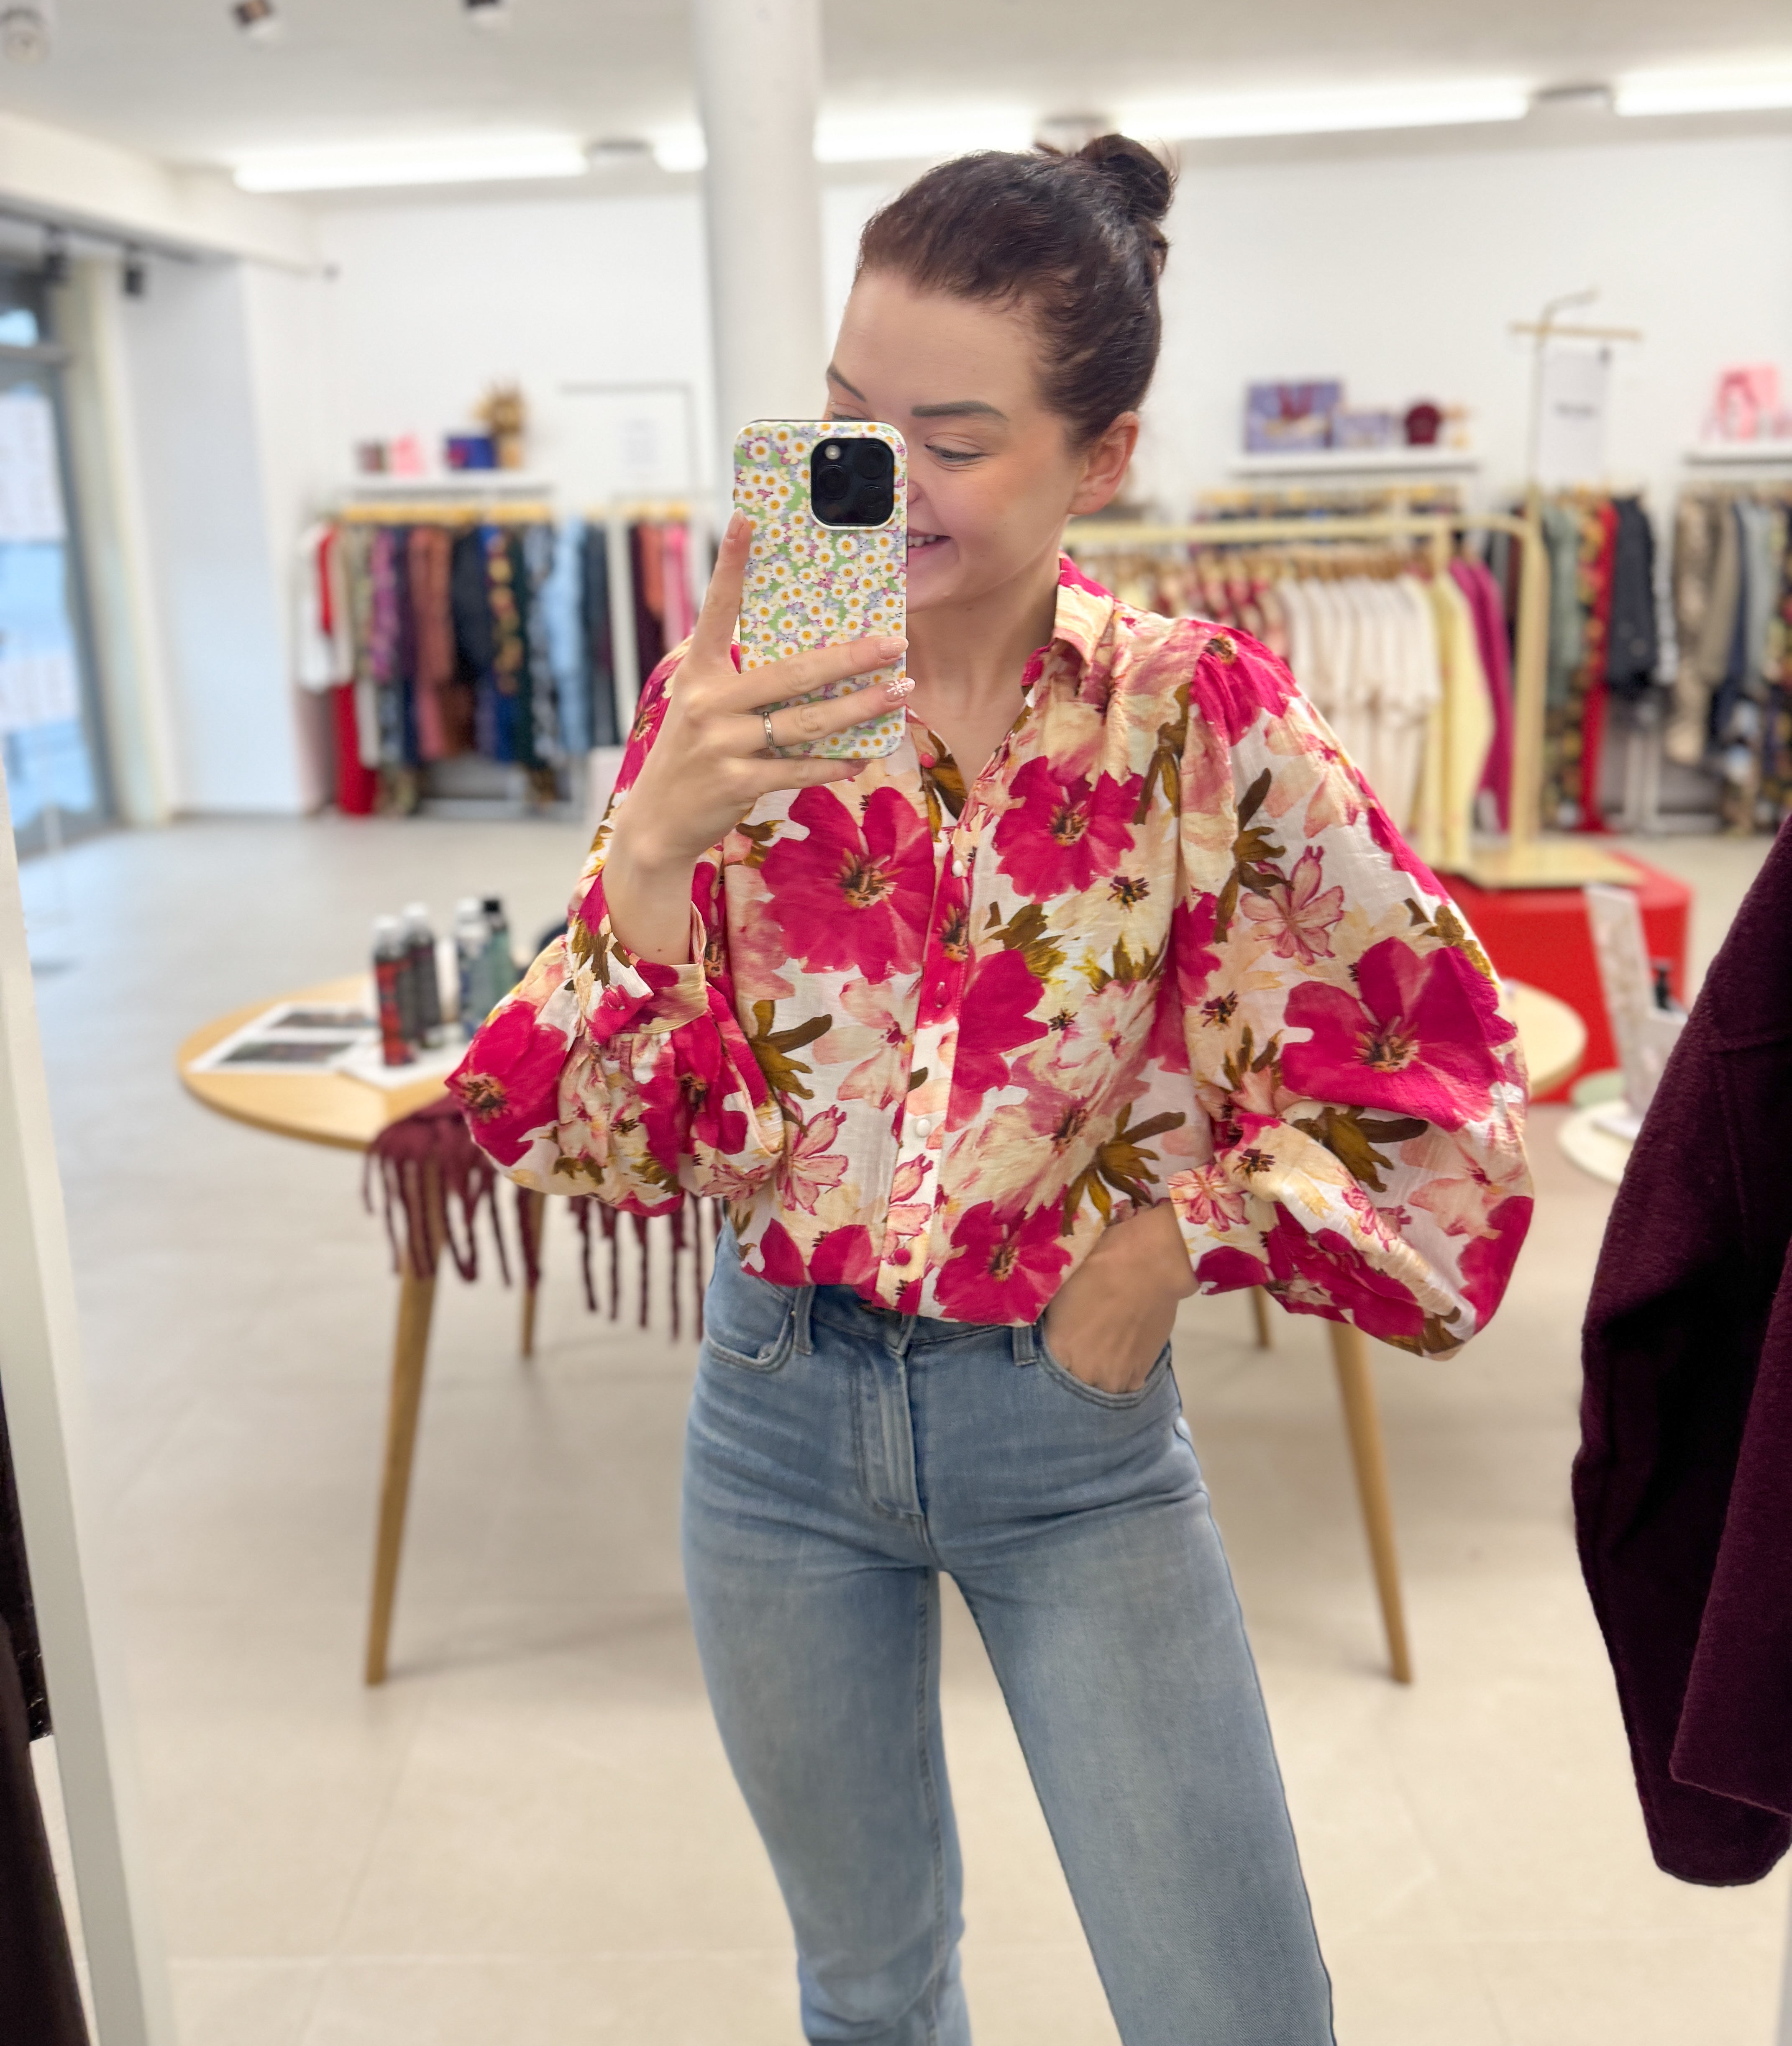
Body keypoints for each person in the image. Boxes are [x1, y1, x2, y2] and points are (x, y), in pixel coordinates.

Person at [451, 137, 1533, 2046]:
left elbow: (1442, 1071)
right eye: (848, 417)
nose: (882, 481)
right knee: (869, 1993)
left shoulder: (1193, 716)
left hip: (1066, 1431)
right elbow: (572, 1122)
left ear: (1100, 459)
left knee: (1232, 2010)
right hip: (773, 1414)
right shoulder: (746, 686)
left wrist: (1171, 1244)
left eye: (953, 440)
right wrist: (650, 856)